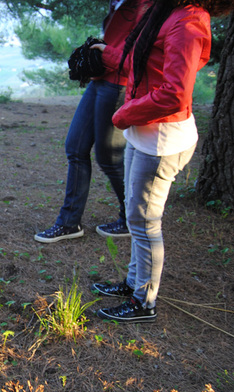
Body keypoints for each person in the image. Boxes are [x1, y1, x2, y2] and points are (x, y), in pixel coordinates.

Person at [91, 0, 234, 322]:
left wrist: (122, 115)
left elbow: (174, 93)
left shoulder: (188, 20)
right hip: (143, 133)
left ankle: (144, 301)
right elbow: (141, 63)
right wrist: (107, 54)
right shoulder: (165, 10)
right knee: (136, 216)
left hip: (161, 140)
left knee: (145, 222)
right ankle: (134, 283)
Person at [34, 0, 149, 243]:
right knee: (75, 147)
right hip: (102, 79)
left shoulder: (145, 5)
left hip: (118, 84)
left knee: (109, 158)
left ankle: (132, 218)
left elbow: (139, 59)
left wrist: (105, 52)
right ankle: (68, 223)